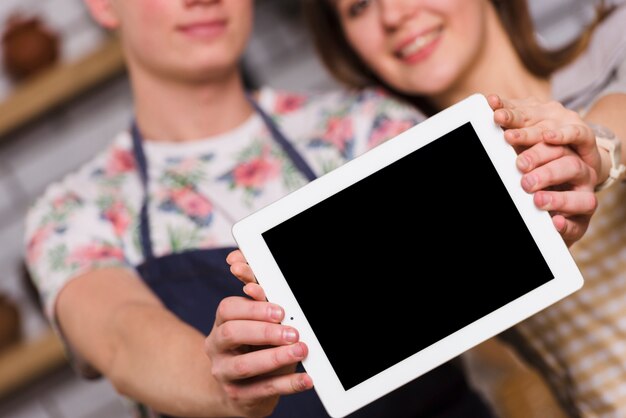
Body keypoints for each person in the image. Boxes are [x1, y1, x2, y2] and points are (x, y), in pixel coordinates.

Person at [24, 1, 601, 417]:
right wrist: (225, 381)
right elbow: (123, 338)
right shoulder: (75, 212)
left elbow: (487, 249)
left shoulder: (367, 125)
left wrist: (548, 206)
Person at [302, 0, 626, 416]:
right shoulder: (410, 201)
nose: (393, 16)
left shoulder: (615, 40)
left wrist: (594, 150)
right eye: (359, 7)